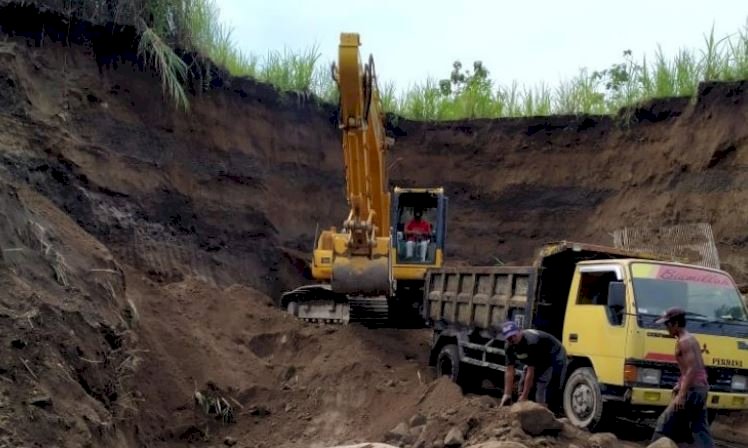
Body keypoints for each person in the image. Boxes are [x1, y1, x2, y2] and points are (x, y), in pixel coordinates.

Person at [651, 307, 714, 448]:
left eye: (667, 325)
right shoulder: (692, 339)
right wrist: (680, 384)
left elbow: (692, 369)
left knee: (663, 424)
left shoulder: (683, 341)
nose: (666, 328)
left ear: (676, 324)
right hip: (701, 388)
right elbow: (695, 368)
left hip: (692, 391)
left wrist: (682, 394)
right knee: (700, 429)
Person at [500, 321, 567, 408]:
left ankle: (543, 411)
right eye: (509, 338)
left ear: (520, 331)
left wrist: (524, 396)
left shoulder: (531, 341)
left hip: (554, 355)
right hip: (538, 356)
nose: (512, 339)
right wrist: (507, 394)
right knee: (522, 385)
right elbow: (509, 370)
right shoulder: (509, 346)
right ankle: (525, 408)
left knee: (542, 386)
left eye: (514, 335)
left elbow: (531, 371)